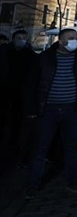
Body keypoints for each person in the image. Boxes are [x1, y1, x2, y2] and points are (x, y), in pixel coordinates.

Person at [24, 28, 77, 197]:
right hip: (48, 110)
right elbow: (32, 83)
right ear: (61, 41)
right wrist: (31, 109)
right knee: (40, 149)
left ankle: (73, 181)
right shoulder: (45, 58)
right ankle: (32, 185)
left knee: (73, 148)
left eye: (76, 38)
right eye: (71, 38)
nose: (74, 41)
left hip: (73, 110)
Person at [1, 29, 38, 167]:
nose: (21, 39)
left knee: (18, 124)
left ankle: (14, 150)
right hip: (4, 91)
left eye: (23, 37)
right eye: (18, 37)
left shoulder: (31, 55)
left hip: (22, 94)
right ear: (13, 38)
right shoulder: (4, 52)